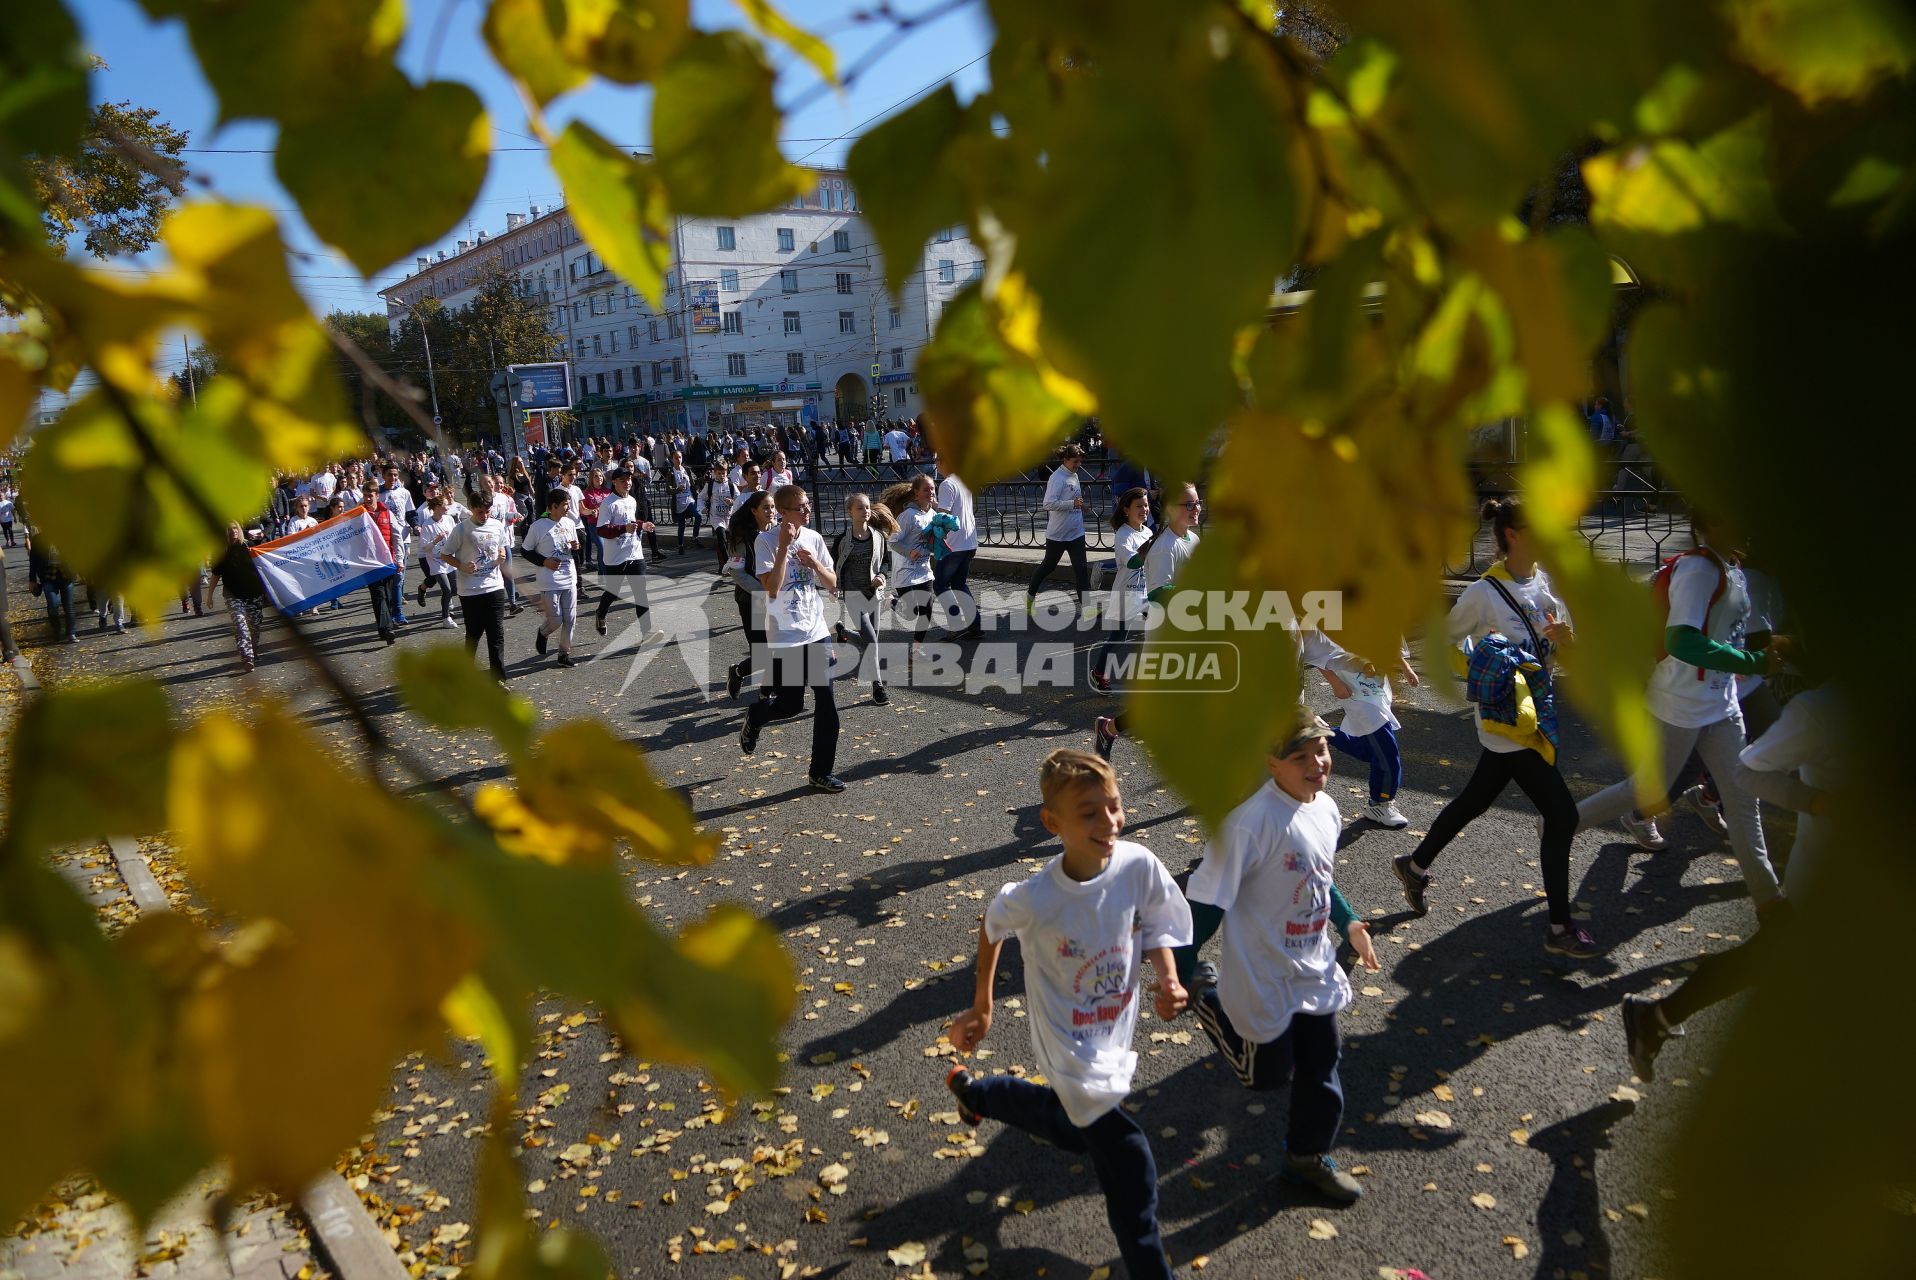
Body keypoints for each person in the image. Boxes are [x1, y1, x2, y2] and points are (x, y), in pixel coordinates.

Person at [946, 748, 1191, 1280]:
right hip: (1067, 1045)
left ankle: (979, 1094)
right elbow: (992, 927)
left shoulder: (1137, 864)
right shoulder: (1036, 899)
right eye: (1089, 812)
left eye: (1115, 806)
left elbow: (1153, 921)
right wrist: (981, 1006)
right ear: (1052, 823)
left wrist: (1167, 976)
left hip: (1113, 1034)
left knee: (1072, 1127)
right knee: (1129, 1157)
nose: (1109, 822)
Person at [1179, 711, 1380, 1205]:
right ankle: (1209, 996)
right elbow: (1204, 907)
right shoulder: (1248, 826)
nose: (1318, 763)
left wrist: (1349, 922)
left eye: (1322, 751)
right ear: (1271, 763)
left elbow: (1318, 875)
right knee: (1264, 1077)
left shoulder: (1327, 809)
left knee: (1322, 1070)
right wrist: (1180, 969)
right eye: (1301, 756)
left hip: (1312, 971)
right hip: (1262, 977)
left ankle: (1305, 1159)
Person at [1390, 496, 1602, 958]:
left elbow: (1565, 641)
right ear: (1514, 535)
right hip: (1507, 720)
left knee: (1475, 799)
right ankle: (1560, 927)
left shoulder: (1543, 582)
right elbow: (1446, 641)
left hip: (1539, 712)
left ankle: (1415, 865)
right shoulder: (1484, 593)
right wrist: (1483, 664)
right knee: (1562, 814)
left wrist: (1568, 639)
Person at [1620, 676, 1841, 1081]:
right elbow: (1747, 771)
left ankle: (1656, 1016)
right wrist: (1821, 803)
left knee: (1771, 960)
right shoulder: (1823, 710)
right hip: (1832, 884)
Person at [1573, 511, 1784, 910]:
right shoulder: (1699, 569)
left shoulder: (1731, 566)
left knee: (1742, 803)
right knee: (1641, 792)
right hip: (1678, 706)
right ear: (1713, 521)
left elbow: (1730, 632)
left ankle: (1770, 901)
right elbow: (1681, 640)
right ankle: (1558, 825)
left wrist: (1777, 648)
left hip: (1721, 707)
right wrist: (1754, 662)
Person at [739, 484, 844, 792]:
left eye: (808, 505)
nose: (808, 511)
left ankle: (819, 772)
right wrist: (784, 547)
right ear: (784, 513)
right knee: (790, 705)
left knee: (827, 703)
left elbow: (833, 584)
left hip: (816, 631)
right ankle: (756, 716)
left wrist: (815, 565)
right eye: (802, 508)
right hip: (785, 635)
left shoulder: (814, 538)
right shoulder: (766, 542)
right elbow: (771, 588)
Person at [1095, 483, 1203, 761]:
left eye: (1197, 503)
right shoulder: (1164, 547)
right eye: (1189, 505)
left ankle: (1111, 728)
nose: (1196, 509)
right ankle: (1109, 727)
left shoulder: (1192, 539)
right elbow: (1157, 591)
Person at [1312, 635, 1419, 828]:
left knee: (1370, 750)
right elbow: (1317, 650)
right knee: (1388, 753)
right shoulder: (1336, 611)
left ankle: (1326, 733)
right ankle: (1380, 803)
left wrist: (1406, 668)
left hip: (1377, 688)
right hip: (1355, 693)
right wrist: (1335, 683)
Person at [439, 476, 511, 680]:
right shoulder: (461, 529)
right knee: (474, 634)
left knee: (496, 634)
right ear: (471, 508)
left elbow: (501, 549)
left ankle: (497, 679)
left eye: (487, 511)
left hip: (494, 587)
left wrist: (501, 556)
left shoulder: (496, 525)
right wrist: (461, 565)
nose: (485, 515)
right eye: (480, 512)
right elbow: (444, 555)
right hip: (470, 590)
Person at [829, 492, 896, 705]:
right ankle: (878, 687)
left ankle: (844, 632)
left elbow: (886, 563)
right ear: (850, 513)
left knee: (869, 641)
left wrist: (882, 576)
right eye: (860, 508)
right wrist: (835, 585)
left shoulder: (878, 537)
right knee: (872, 640)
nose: (865, 511)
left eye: (867, 507)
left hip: (873, 594)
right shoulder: (841, 540)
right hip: (853, 594)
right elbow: (833, 565)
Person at [1089, 487, 1151, 695]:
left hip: (1147, 592)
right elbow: (1133, 562)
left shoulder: (1148, 532)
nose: (1144, 509)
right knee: (1118, 638)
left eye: (1146, 505)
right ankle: (1098, 672)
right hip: (1127, 594)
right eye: (1139, 506)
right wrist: (1149, 548)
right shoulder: (1123, 535)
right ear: (1126, 510)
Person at [1026, 444, 1091, 616]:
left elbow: (1074, 497)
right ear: (1065, 459)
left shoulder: (1073, 475)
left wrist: (1081, 506)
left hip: (1076, 532)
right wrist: (1072, 504)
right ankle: (1030, 597)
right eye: (1075, 462)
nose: (1078, 465)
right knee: (1048, 567)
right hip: (1058, 534)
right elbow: (1047, 504)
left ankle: (1087, 608)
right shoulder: (1057, 477)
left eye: (1080, 462)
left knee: (1081, 569)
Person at [881, 475, 937, 673]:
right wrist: (909, 552)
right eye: (926, 490)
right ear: (916, 493)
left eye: (932, 489)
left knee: (927, 610)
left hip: (924, 570)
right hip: (905, 571)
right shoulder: (907, 516)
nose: (931, 493)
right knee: (911, 612)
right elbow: (892, 541)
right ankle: (892, 601)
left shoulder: (931, 514)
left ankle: (915, 651)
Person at [723, 492, 776, 701]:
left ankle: (768, 693)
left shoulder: (777, 532)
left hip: (777, 599)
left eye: (772, 507)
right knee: (763, 653)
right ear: (753, 511)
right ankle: (737, 672)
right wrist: (764, 594)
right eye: (765, 507)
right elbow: (738, 572)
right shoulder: (742, 536)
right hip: (752, 600)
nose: (771, 512)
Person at [594, 467, 655, 638]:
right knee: (613, 592)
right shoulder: (608, 503)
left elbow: (632, 521)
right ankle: (601, 613)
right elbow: (601, 530)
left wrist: (642, 525)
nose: (627, 483)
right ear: (614, 482)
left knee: (640, 593)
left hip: (634, 553)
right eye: (623, 480)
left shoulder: (632, 501)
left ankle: (647, 632)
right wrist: (623, 529)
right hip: (615, 557)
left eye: (629, 480)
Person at [524, 488, 582, 668]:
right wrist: (544, 561)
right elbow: (525, 551)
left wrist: (575, 546)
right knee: (555, 620)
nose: (567, 508)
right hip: (549, 581)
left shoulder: (569, 523)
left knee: (570, 618)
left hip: (568, 576)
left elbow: (572, 547)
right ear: (553, 507)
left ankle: (564, 654)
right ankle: (543, 632)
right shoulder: (538, 526)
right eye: (565, 504)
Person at [213, 522, 270, 673]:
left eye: (234, 528)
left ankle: (254, 650)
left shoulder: (249, 546)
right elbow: (215, 574)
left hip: (254, 594)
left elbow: (263, 564)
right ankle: (247, 658)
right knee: (240, 626)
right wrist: (209, 596)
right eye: (228, 529)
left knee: (255, 627)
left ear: (239, 530)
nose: (232, 531)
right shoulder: (221, 552)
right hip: (233, 596)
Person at [933, 469, 980, 640]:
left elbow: (945, 516)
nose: (936, 464)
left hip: (953, 545)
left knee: (940, 586)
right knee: (960, 584)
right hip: (969, 541)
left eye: (938, 460)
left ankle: (956, 625)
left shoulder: (947, 484)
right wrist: (935, 505)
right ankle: (974, 626)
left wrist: (937, 534)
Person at [26, 533, 79, 644]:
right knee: (53, 605)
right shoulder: (38, 539)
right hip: (48, 577)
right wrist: (32, 579)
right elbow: (33, 560)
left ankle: (71, 633)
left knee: (68, 606)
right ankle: (57, 630)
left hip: (66, 576)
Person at [419, 491, 460, 628]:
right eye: (444, 505)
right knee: (447, 590)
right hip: (436, 561)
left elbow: (456, 535)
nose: (447, 508)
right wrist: (436, 540)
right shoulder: (427, 525)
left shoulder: (449, 519)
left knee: (454, 589)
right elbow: (425, 548)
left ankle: (444, 602)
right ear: (436, 507)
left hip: (449, 558)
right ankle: (446, 618)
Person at [669, 450, 700, 554]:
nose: (678, 460)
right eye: (676, 458)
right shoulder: (671, 473)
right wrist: (677, 489)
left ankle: (695, 537)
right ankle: (680, 546)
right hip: (678, 502)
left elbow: (694, 482)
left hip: (689, 499)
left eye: (680, 457)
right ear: (672, 459)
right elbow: (668, 489)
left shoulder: (686, 469)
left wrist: (703, 479)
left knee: (698, 516)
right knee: (682, 524)